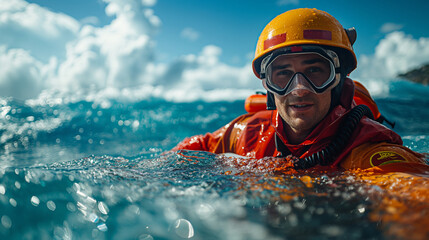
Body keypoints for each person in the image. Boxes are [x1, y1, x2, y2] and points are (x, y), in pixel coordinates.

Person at [172, 8, 427, 171]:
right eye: (282, 74)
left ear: (338, 77)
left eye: (316, 70)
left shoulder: (366, 151)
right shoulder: (246, 133)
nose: (300, 89)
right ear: (266, 83)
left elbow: (411, 197)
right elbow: (182, 155)